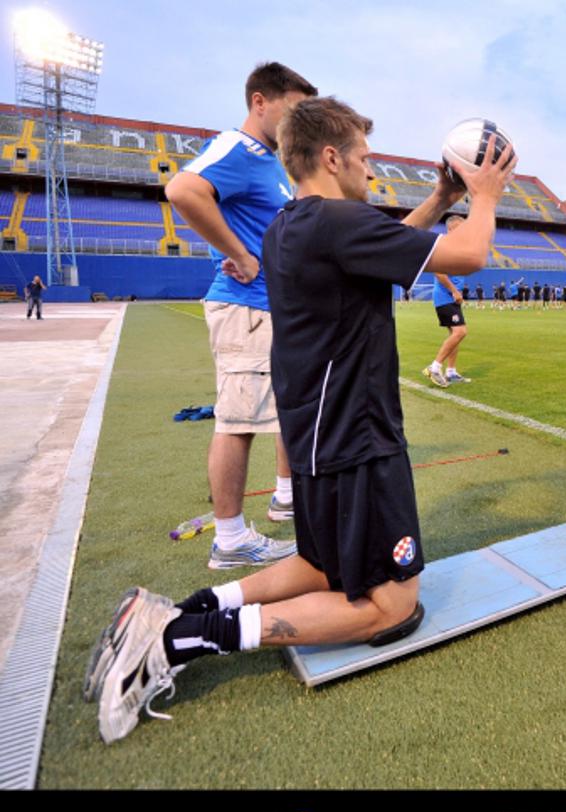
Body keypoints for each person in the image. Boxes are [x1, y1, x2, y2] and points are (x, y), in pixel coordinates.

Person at [86, 95, 516, 744]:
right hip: (358, 437)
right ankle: (179, 640)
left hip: (318, 434)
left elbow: (393, 241)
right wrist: (484, 194)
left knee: (319, 564)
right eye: (366, 159)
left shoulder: (293, 224)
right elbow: (471, 256)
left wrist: (441, 198)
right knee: (393, 605)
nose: (372, 172)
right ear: (331, 156)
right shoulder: (337, 226)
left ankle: (174, 612)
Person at [165, 63, 317, 569]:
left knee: (278, 412)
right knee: (237, 423)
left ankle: (284, 498)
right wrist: (241, 253)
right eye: (292, 109)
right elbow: (183, 191)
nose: (299, 121)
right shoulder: (237, 147)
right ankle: (230, 538)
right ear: (259, 102)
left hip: (272, 309)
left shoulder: (271, 162)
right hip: (245, 306)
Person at [423, 216, 471, 387]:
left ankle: (450, 372)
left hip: (451, 298)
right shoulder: (444, 246)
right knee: (460, 332)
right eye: (460, 227)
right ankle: (434, 367)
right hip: (445, 297)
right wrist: (454, 291)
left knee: (454, 335)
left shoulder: (458, 248)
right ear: (450, 229)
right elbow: (438, 272)